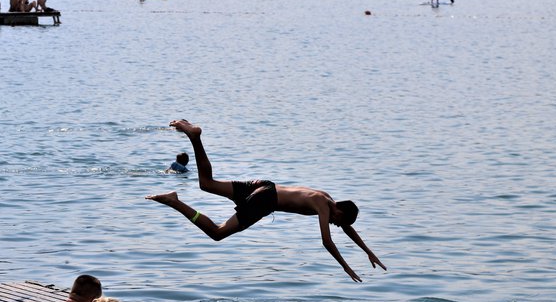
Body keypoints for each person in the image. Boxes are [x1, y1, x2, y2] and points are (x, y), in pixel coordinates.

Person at [146, 120, 386, 282]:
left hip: (264, 186)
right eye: (337, 220)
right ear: (338, 209)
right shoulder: (324, 206)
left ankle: (194, 136)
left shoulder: (326, 197)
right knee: (218, 233)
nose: (335, 223)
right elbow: (327, 241)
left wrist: (368, 251)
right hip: (265, 200)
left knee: (206, 184)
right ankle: (175, 202)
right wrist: (345, 267)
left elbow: (346, 227)